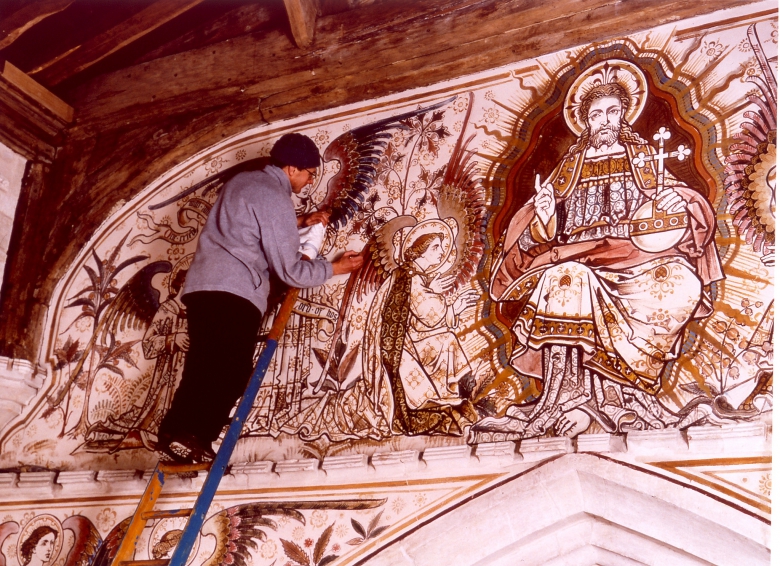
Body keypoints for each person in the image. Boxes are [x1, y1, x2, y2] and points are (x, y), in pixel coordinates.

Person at [470, 65, 723, 442]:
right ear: (585, 121)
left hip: (635, 253)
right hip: (577, 253)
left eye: (612, 112)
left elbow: (672, 213)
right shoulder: (571, 166)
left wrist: (675, 202)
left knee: (681, 280)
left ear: (623, 114)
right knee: (567, 277)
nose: (604, 121)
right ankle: (568, 398)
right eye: (596, 114)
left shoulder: (644, 158)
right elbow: (544, 233)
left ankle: (623, 396)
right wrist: (544, 215)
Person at [156, 133, 363, 463]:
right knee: (233, 369)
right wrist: (335, 268)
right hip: (235, 292)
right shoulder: (274, 196)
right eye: (309, 173)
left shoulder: (244, 183)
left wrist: (300, 221)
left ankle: (172, 432)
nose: (309, 181)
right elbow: (291, 271)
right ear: (291, 168)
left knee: (202, 363)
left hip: (203, 288)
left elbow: (248, 226)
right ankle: (196, 436)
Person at [363, 221, 479, 436]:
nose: (441, 252)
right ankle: (458, 392)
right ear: (419, 251)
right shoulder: (410, 277)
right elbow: (429, 315)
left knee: (447, 340)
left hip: (411, 342)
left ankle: (460, 391)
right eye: (435, 247)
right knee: (448, 340)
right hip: (401, 351)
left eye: (442, 248)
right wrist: (456, 306)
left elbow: (419, 321)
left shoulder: (415, 277)